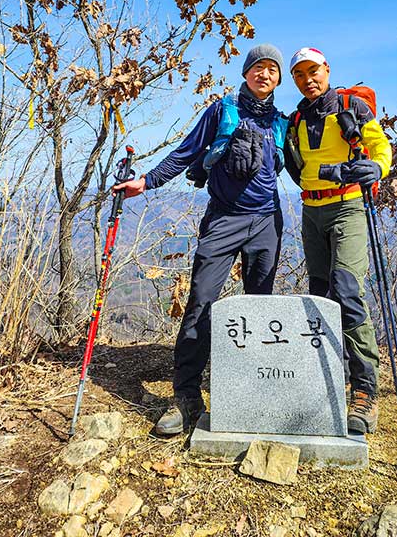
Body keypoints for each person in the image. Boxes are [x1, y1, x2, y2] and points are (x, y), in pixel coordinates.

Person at [114, 44, 288, 435]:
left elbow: (303, 166)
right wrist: (147, 181)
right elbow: (186, 151)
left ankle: (254, 392)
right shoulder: (222, 109)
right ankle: (187, 398)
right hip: (224, 219)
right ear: (246, 73)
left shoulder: (281, 122)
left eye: (272, 71)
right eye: (258, 68)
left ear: (278, 79)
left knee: (259, 311)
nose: (265, 75)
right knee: (200, 302)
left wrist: (354, 172)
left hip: (266, 223)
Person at [284, 47, 392, 434]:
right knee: (319, 293)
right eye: (299, 75)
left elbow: (381, 147)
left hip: (348, 207)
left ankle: (364, 389)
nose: (307, 79)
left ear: (326, 70)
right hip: (311, 211)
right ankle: (324, 374)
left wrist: (375, 167)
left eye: (313, 71)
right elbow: (295, 167)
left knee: (347, 290)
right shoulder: (295, 119)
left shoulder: (351, 106)